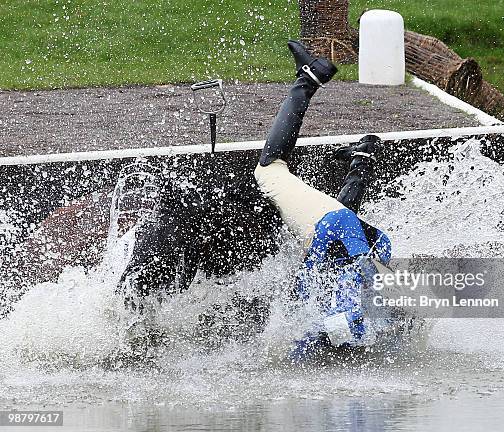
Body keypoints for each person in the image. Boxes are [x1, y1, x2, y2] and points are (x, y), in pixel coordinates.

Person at [117, 41, 393, 356]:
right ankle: (309, 79)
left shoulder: (362, 293)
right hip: (338, 236)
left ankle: (362, 158)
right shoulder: (353, 292)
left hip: (346, 240)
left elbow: (316, 308)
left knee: (335, 248)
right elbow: (317, 296)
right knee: (269, 171)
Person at [253, 41, 392, 357]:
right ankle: (362, 156)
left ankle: (311, 78)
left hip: (337, 231)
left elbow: (312, 289)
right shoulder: (362, 279)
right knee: (345, 246)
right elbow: (353, 266)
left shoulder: (354, 293)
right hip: (340, 232)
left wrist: (293, 347)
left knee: (269, 171)